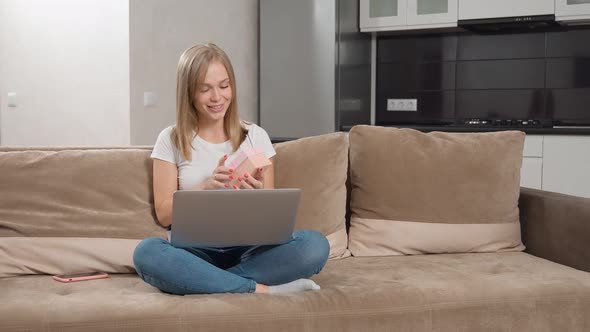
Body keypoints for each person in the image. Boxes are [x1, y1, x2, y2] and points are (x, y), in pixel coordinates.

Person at [132, 43, 330, 295]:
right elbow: (164, 215)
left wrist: (259, 196)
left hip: (249, 251)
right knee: (147, 253)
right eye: (205, 89)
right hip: (194, 252)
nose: (217, 98)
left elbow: (271, 221)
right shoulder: (171, 139)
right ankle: (259, 289)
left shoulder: (256, 136)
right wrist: (206, 188)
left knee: (315, 245)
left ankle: (205, 282)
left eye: (224, 86)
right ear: (189, 93)